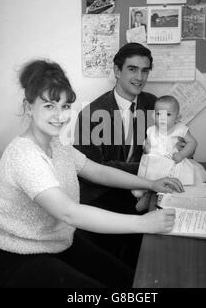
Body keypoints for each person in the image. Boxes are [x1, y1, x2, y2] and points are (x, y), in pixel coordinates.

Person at [0, 59, 183, 288]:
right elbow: (70, 214)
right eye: (49, 106)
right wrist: (144, 224)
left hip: (57, 243)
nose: (60, 116)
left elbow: (97, 171)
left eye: (65, 106)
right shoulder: (25, 156)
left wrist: (151, 184)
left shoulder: (57, 145)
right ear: (29, 107)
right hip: (20, 258)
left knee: (130, 281)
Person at [74, 43, 185, 268]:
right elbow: (91, 170)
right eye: (132, 69)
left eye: (145, 70)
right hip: (104, 196)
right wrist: (148, 169)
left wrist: (179, 147)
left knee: (170, 238)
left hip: (144, 191)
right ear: (117, 71)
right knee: (133, 256)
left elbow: (171, 141)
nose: (140, 77)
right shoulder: (91, 114)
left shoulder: (153, 104)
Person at [132, 96, 206, 209]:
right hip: (154, 164)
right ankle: (147, 195)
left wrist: (182, 154)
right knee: (150, 176)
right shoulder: (151, 130)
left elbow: (193, 143)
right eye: (159, 114)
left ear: (177, 118)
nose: (162, 119)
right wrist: (146, 148)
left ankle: (162, 201)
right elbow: (147, 144)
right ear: (154, 115)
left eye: (168, 115)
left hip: (171, 161)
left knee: (173, 188)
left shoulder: (180, 129)